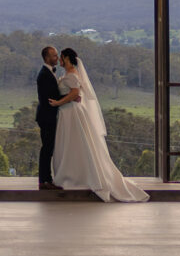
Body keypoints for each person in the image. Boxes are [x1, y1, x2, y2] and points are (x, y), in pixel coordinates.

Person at [50, 47, 150, 203]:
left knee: (73, 143)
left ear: (67, 59)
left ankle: (75, 176)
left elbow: (75, 93)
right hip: (68, 112)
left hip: (71, 113)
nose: (60, 60)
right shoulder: (69, 75)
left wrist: (58, 102)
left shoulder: (71, 76)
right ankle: (73, 173)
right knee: (73, 144)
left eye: (61, 57)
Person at [35, 45, 64, 189]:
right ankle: (44, 181)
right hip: (46, 116)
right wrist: (69, 96)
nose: (57, 58)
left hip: (48, 115)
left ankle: (46, 179)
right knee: (47, 148)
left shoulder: (48, 72)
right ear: (47, 58)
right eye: (54, 56)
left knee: (49, 148)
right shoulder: (44, 74)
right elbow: (50, 98)